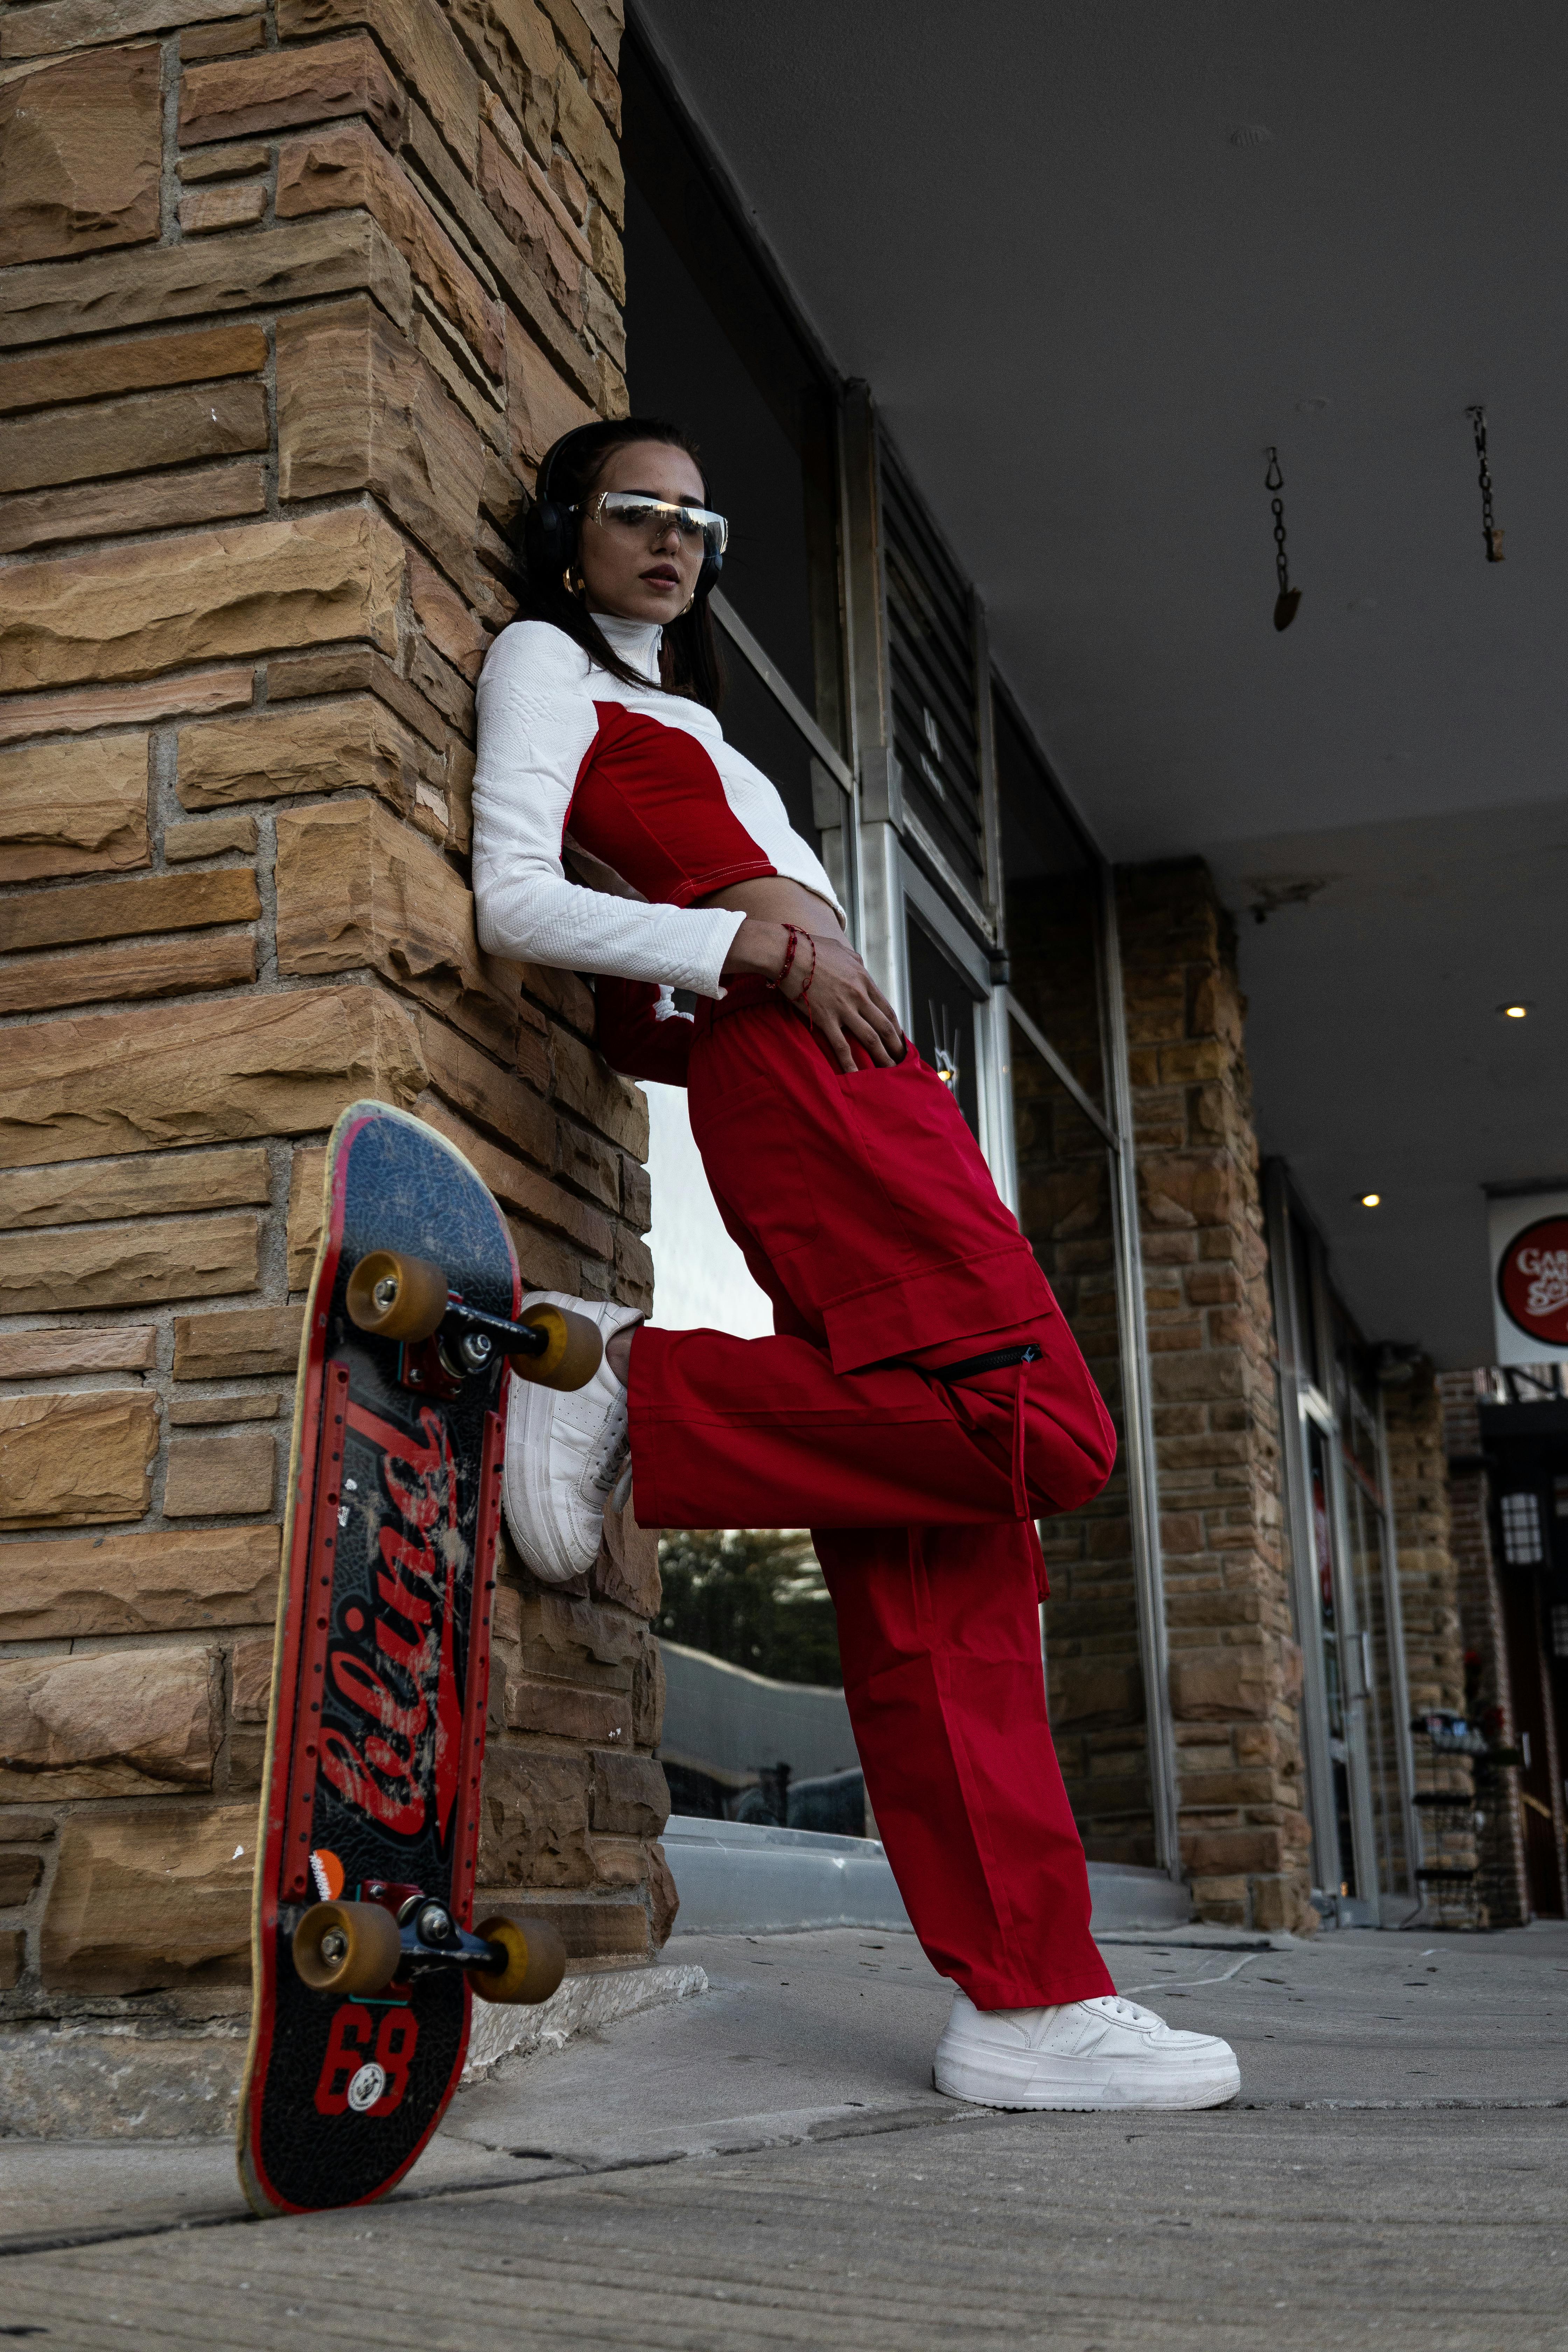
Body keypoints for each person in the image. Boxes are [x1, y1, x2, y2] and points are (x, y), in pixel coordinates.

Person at [472, 417, 1239, 2112]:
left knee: (948, 1573)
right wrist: (754, 956)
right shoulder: (542, 660)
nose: (671, 539)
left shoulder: (685, 714)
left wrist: (797, 1015)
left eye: (694, 517)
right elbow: (514, 895)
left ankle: (1026, 2001)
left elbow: (647, 974)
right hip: (810, 1077)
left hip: (843, 1079)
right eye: (632, 512)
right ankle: (626, 1382)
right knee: (1037, 1430)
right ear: (565, 530)